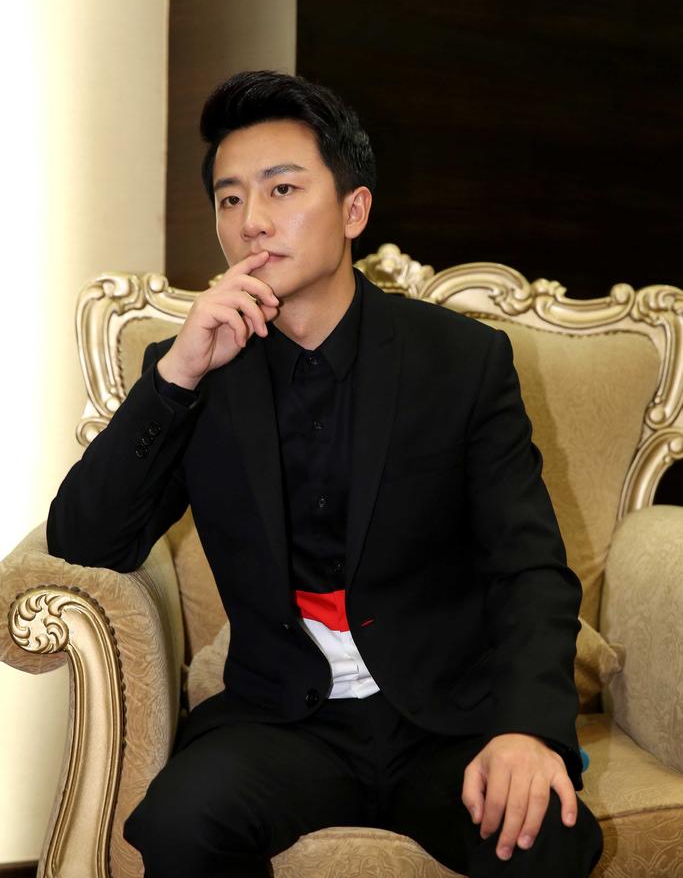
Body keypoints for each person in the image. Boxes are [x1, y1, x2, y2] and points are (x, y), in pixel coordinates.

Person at [47, 70, 603, 877]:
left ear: (353, 210)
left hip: (447, 720)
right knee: (176, 824)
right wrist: (176, 379)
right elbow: (86, 540)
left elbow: (529, 568)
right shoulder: (197, 368)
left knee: (541, 834)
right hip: (282, 721)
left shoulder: (459, 360)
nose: (251, 220)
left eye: (281, 189)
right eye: (230, 198)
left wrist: (526, 730)